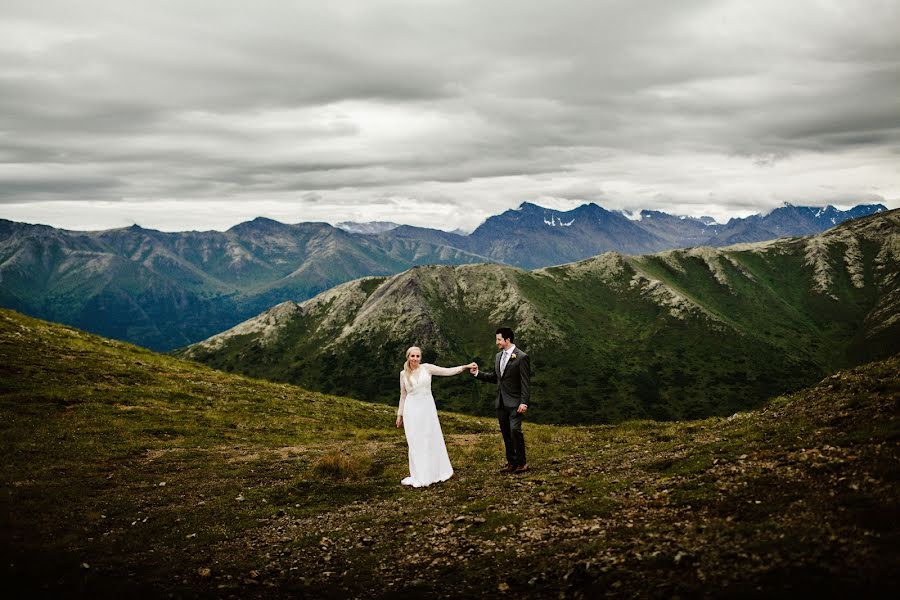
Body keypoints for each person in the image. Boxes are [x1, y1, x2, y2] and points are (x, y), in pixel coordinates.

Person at [396, 346, 476, 487]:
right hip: (411, 410)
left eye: (417, 356)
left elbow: (448, 371)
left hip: (427, 409)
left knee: (430, 438)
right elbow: (403, 396)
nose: (415, 359)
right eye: (412, 356)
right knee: (415, 441)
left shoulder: (427, 368)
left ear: (420, 358)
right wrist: (400, 415)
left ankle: (434, 471)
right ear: (408, 357)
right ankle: (419, 474)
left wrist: (466, 366)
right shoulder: (403, 374)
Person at [470, 327, 531, 473]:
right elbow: (496, 378)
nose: (496, 342)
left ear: (507, 340)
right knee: (505, 432)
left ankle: (522, 463)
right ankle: (512, 462)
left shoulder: (522, 357)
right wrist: (477, 373)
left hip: (516, 402)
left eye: (498, 339)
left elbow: (525, 382)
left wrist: (524, 402)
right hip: (501, 402)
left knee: (515, 430)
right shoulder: (498, 356)